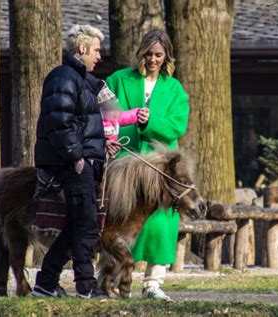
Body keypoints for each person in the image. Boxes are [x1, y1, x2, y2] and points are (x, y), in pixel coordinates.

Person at [32, 24, 120, 299]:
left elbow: (81, 124)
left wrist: (102, 144)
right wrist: (77, 157)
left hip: (84, 161)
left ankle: (45, 283)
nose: (99, 56)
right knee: (86, 225)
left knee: (76, 225)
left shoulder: (80, 79)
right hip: (73, 164)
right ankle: (86, 287)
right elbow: (59, 122)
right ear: (82, 49)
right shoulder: (63, 77)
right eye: (96, 50)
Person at [106, 29, 189, 300]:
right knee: (118, 221)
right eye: (149, 54)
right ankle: (108, 279)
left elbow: (177, 126)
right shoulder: (119, 80)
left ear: (166, 57)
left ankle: (153, 282)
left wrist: (149, 122)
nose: (153, 59)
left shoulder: (174, 88)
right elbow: (103, 112)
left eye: (159, 55)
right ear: (141, 52)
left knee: (161, 223)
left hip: (159, 169)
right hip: (124, 165)